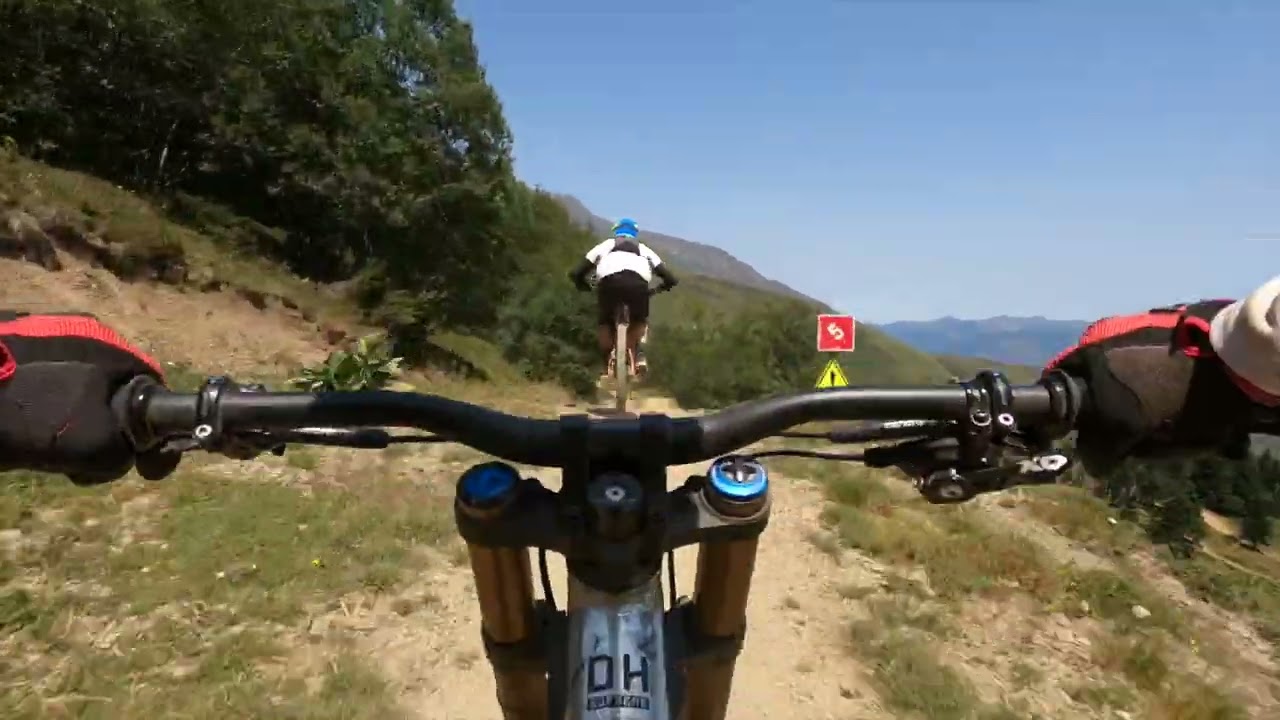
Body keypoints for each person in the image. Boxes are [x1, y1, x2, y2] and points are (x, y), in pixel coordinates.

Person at [2, 276, 1278, 485]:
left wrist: (606, 300)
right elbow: (649, 272)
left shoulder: (603, 250)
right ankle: (634, 364)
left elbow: (601, 267)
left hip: (603, 299)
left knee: (611, 342)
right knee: (632, 339)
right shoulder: (638, 255)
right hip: (634, 303)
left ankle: (619, 365)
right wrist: (645, 307)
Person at [569, 217, 678, 376]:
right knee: (639, 321)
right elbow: (671, 279)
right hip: (638, 288)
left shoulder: (606, 246)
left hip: (609, 286)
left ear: (616, 231)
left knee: (605, 321)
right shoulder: (644, 249)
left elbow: (576, 273)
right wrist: (655, 290)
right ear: (634, 233)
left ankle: (605, 363)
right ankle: (639, 355)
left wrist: (584, 286)